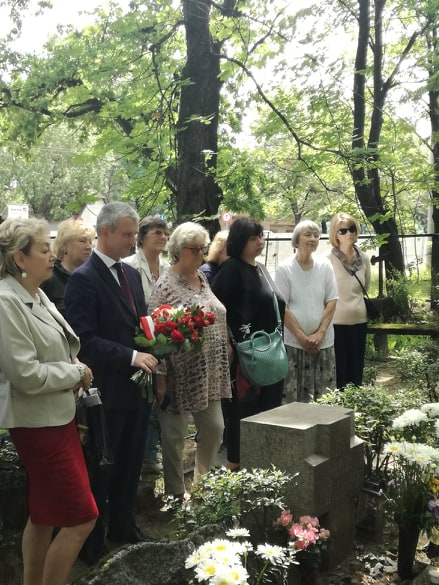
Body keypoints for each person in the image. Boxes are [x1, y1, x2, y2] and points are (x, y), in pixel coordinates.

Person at [0, 217, 97, 585]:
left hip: (56, 418)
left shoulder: (36, 294)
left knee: (42, 515)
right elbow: (25, 374)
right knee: (82, 518)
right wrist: (75, 372)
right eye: (44, 249)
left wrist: (73, 365)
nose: (52, 255)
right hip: (38, 425)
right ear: (19, 258)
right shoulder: (6, 301)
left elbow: (57, 348)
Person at [64, 202, 158, 565]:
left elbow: (140, 325)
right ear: (105, 232)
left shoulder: (130, 274)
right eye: (127, 234)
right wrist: (131, 356)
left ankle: (124, 525)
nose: (133, 241)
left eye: (134, 234)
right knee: (102, 467)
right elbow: (84, 340)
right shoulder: (84, 278)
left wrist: (160, 342)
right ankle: (93, 541)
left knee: (131, 463)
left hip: (137, 388)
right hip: (105, 391)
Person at [149, 222, 231, 498]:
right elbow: (156, 335)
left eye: (202, 248)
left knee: (215, 428)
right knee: (174, 436)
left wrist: (225, 342)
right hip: (178, 373)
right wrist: (160, 377)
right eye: (194, 249)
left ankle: (200, 486)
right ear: (177, 250)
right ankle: (175, 494)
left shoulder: (202, 278)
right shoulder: (166, 285)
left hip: (210, 371)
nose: (200, 254)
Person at [211, 217, 285, 471]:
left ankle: (265, 464)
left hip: (270, 351)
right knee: (243, 412)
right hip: (244, 356)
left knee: (269, 409)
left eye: (261, 236)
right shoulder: (231, 269)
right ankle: (236, 467)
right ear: (240, 241)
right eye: (253, 238)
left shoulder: (261, 268)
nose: (260, 242)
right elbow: (215, 309)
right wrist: (226, 342)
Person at [124, 215, 170, 475]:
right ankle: (147, 454)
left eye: (165, 233)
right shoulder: (129, 266)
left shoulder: (168, 267)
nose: (163, 237)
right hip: (139, 341)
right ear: (141, 238)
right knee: (146, 396)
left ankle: (155, 450)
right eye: (156, 232)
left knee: (161, 396)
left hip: (166, 340)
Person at [275, 219, 338, 403]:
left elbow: (332, 300)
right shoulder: (285, 268)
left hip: (323, 342)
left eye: (316, 236)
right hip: (294, 344)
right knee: (294, 400)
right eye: (307, 235)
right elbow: (282, 307)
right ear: (296, 239)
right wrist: (302, 338)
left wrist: (320, 333)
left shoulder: (325, 266)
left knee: (324, 398)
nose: (313, 239)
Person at [327, 212, 371, 388]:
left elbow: (365, 287)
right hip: (336, 323)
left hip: (359, 320)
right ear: (335, 234)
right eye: (343, 231)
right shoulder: (327, 259)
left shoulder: (364, 258)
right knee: (339, 371)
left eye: (352, 229)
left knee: (356, 370)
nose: (349, 233)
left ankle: (356, 402)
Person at [41, 218, 95, 315]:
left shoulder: (95, 277)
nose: (88, 247)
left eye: (90, 242)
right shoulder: (48, 277)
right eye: (82, 241)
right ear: (64, 245)